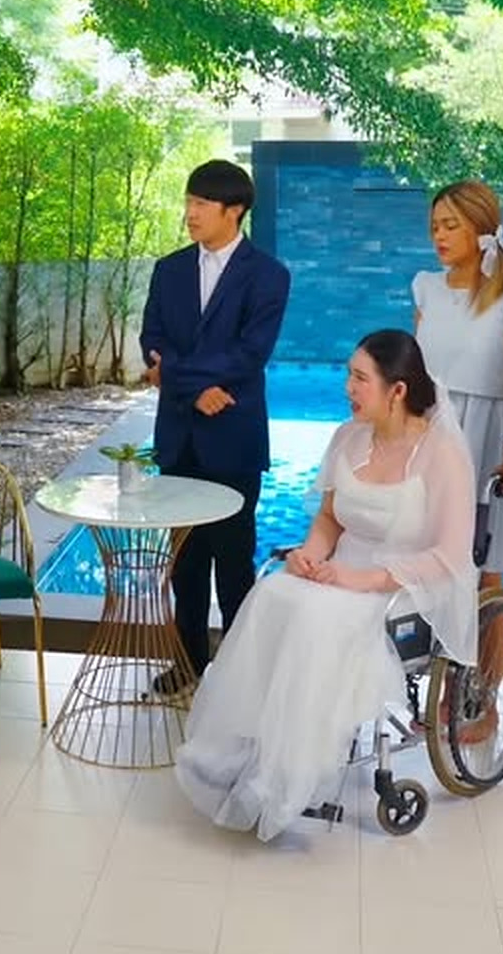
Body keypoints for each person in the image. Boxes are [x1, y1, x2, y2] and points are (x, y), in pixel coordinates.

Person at [175, 331, 477, 842]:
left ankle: (289, 770)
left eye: (360, 378)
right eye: (348, 375)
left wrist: (362, 580)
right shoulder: (349, 437)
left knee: (315, 619)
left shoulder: (441, 453)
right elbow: (330, 519)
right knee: (270, 596)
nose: (348, 388)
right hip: (339, 572)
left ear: (397, 390)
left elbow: (450, 556)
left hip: (400, 586)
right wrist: (310, 556)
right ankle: (243, 748)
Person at [139, 160, 290, 691]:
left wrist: (179, 377)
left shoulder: (268, 275)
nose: (190, 213)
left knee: (233, 560)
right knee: (184, 562)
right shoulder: (169, 269)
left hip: (233, 436)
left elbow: (251, 353)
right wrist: (194, 389)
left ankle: (240, 674)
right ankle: (187, 663)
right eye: (189, 202)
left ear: (235, 210)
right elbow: (152, 342)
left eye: (201, 204)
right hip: (180, 434)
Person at [413, 179, 503, 589]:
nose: (439, 236)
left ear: (481, 226)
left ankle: (489, 636)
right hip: (431, 432)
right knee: (425, 561)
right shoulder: (426, 288)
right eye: (435, 227)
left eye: (451, 225)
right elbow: (414, 369)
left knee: (485, 572)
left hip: (488, 438)